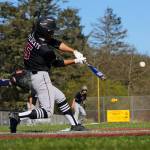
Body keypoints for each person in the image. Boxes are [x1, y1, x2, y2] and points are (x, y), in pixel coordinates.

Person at [9, 16, 87, 133]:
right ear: (44, 31)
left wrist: (74, 51)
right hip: (41, 77)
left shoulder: (34, 34)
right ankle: (17, 116)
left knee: (60, 97)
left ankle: (74, 125)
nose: (53, 32)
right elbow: (57, 63)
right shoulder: (44, 50)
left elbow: (55, 42)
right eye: (51, 31)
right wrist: (75, 61)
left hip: (32, 75)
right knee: (47, 112)